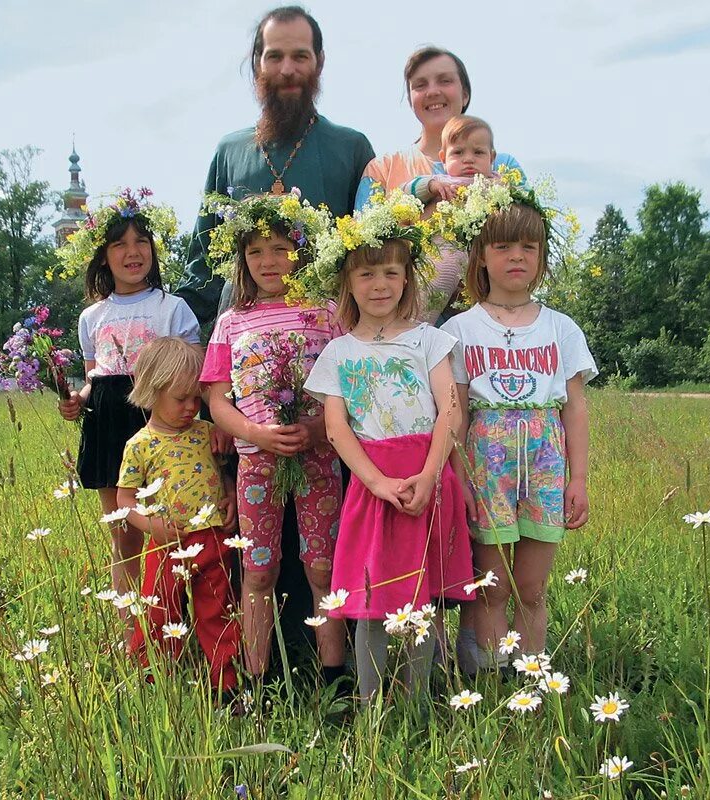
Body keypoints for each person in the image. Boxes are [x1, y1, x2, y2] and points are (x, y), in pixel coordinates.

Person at [304, 191, 476, 703]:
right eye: (366, 274)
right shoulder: (338, 352)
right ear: (347, 284)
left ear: (407, 279)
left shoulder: (429, 339)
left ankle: (419, 701)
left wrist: (427, 476)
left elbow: (450, 409)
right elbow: (337, 428)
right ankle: (370, 706)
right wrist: (375, 481)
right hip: (371, 482)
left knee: (420, 599)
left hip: (427, 475)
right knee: (371, 596)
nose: (379, 285)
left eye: (391, 273)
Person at [438, 183, 596, 675]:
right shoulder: (460, 329)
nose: (516, 257)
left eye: (529, 246)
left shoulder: (561, 327)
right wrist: (458, 478)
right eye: (503, 246)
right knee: (492, 584)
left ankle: (531, 674)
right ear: (480, 256)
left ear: (543, 256)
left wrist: (579, 478)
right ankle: (484, 677)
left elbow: (575, 408)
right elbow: (455, 413)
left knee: (531, 586)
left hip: (545, 459)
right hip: (487, 459)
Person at [198, 192, 348, 691]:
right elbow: (218, 399)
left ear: (300, 252)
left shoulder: (326, 312)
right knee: (258, 572)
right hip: (256, 462)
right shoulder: (231, 321)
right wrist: (255, 433)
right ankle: (256, 679)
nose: (269, 261)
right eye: (257, 251)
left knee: (322, 567)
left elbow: (348, 385)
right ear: (242, 258)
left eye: (281, 248)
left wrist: (318, 429)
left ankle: (333, 677)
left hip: (320, 457)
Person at [177, 5, 374, 330]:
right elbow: (204, 260)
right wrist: (181, 333)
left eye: (300, 56)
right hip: (243, 337)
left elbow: (371, 255)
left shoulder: (351, 147)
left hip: (331, 332)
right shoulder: (230, 150)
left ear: (319, 62)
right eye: (274, 56)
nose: (287, 69)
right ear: (257, 64)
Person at [55, 189, 200, 631]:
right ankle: (132, 630)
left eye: (141, 242)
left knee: (170, 526)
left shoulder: (172, 308)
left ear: (155, 251)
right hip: (107, 424)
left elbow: (192, 373)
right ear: (102, 257)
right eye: (119, 244)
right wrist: (77, 399)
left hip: (160, 423)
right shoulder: (91, 316)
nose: (132, 252)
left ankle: (177, 622)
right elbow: (94, 373)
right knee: (123, 534)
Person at [356, 48, 524, 327]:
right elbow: (364, 245)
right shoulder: (382, 169)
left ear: (465, 93)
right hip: (403, 322)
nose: (432, 91)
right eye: (420, 85)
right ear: (410, 99)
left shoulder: (504, 167)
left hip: (491, 325)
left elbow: (528, 236)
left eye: (445, 81)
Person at [115, 337, 240, 696]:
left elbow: (223, 471)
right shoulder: (140, 444)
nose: (190, 407)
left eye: (196, 398)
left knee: (218, 611)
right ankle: (154, 679)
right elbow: (125, 498)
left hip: (214, 539)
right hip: (166, 543)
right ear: (152, 392)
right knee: (159, 613)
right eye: (180, 398)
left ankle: (226, 685)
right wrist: (149, 523)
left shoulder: (208, 433)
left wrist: (230, 495)